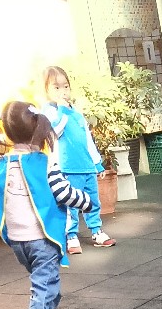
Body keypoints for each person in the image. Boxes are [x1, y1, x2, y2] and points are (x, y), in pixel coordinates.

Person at [0, 101, 91, 309]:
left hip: (17, 242)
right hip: (42, 239)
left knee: (47, 286)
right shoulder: (44, 163)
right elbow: (63, 193)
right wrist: (86, 201)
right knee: (44, 288)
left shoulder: (0, 165)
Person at [42, 66, 114, 252]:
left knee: (92, 201)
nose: (63, 91)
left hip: (86, 166)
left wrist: (97, 163)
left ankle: (96, 231)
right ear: (46, 90)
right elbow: (54, 132)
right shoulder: (49, 112)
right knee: (70, 204)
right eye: (56, 87)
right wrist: (62, 110)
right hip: (67, 168)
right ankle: (71, 235)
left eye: (65, 86)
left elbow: (87, 139)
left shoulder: (76, 112)